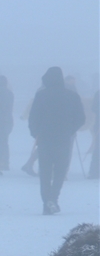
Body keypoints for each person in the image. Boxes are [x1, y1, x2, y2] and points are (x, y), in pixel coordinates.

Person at [28, 66, 86, 214]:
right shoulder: (72, 96)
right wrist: (70, 130)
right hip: (64, 139)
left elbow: (33, 117)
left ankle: (46, 203)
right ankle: (53, 198)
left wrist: (36, 133)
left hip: (45, 138)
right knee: (60, 171)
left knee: (45, 172)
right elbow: (81, 118)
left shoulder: (41, 95)